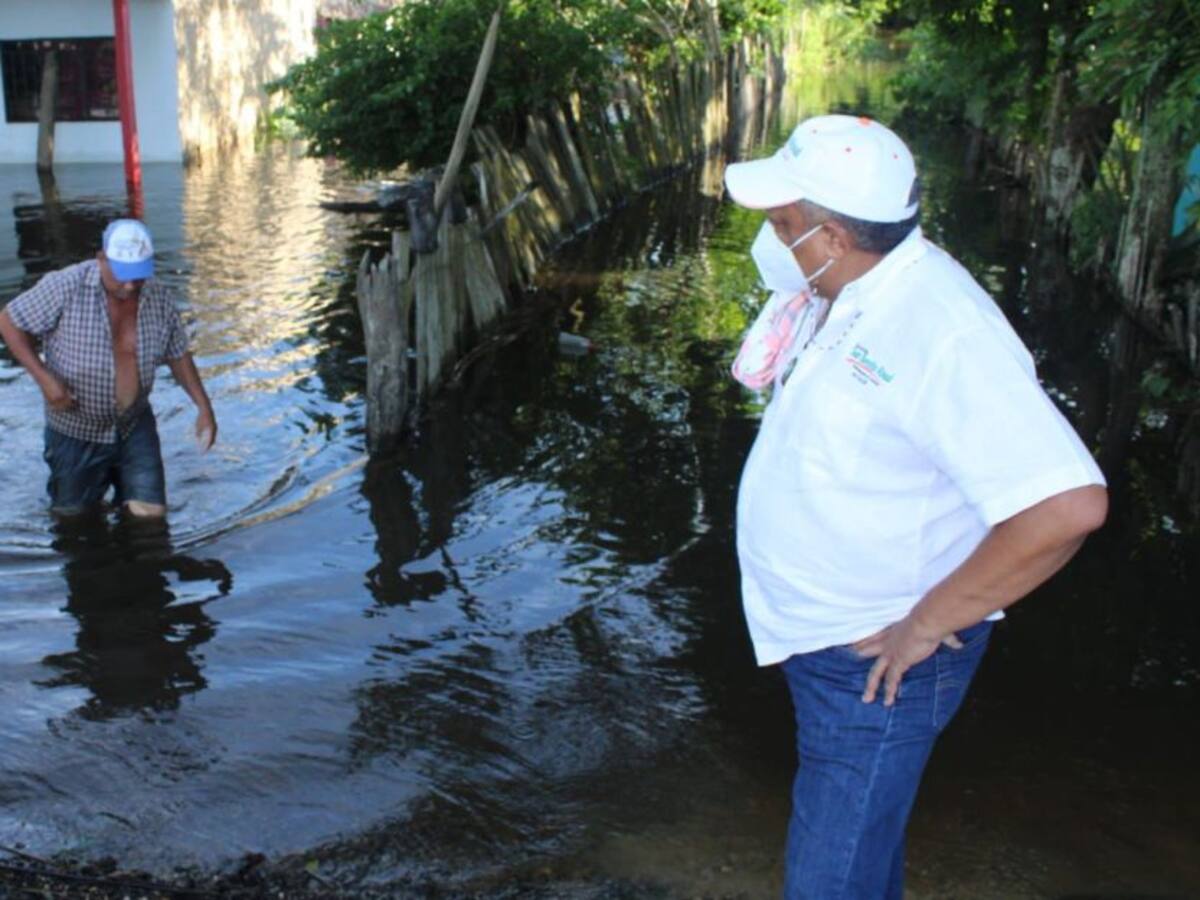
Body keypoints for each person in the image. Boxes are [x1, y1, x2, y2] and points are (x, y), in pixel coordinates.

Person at [723, 115, 1108, 899]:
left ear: (832, 236)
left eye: (783, 222)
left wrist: (927, 623)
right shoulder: (856, 285)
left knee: (829, 881)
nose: (769, 232)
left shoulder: (942, 330)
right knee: (861, 856)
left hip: (874, 663)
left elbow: (1067, 506)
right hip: (827, 641)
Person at [0, 219, 216, 519]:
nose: (130, 286)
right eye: (122, 276)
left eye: (138, 277)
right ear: (101, 258)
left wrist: (204, 407)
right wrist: (44, 379)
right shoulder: (65, 286)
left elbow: (178, 353)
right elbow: (9, 322)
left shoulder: (158, 296)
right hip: (75, 429)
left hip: (134, 425)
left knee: (150, 516)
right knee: (75, 519)